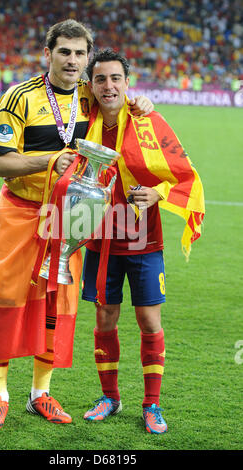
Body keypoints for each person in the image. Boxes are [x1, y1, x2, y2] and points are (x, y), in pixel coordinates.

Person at [0, 20, 154, 430]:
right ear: (49, 54)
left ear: (87, 57)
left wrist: (142, 102)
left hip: (70, 217)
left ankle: (39, 393)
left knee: (58, 302)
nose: (73, 60)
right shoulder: (19, 97)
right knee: (5, 296)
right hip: (22, 209)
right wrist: (48, 160)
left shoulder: (89, 96)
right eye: (65, 52)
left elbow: (121, 105)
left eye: (80, 53)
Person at [81, 49, 205, 434]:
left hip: (144, 240)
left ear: (127, 82)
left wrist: (158, 195)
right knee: (105, 317)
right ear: (91, 85)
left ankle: (152, 404)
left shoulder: (149, 121)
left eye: (116, 78)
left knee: (149, 321)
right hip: (100, 241)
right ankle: (109, 398)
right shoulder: (81, 121)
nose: (109, 85)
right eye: (100, 79)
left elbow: (184, 175)